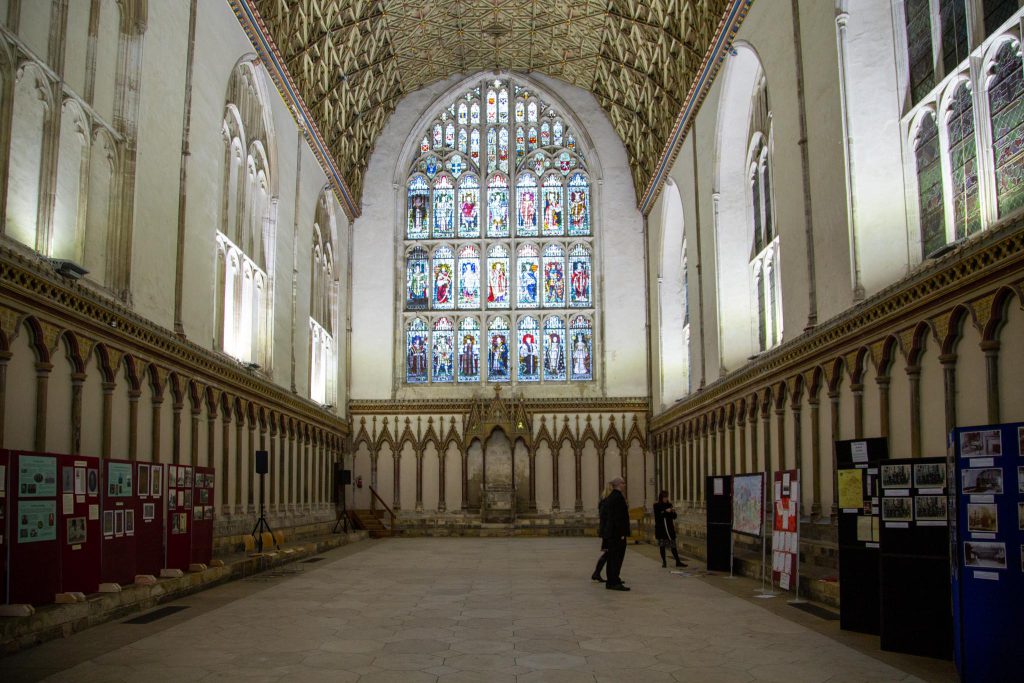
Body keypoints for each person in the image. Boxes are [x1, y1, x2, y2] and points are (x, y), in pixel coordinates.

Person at [602, 476, 630, 591]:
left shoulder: (611, 497)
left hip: (612, 533)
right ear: (619, 484)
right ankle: (613, 582)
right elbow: (618, 518)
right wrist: (622, 533)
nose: (625, 485)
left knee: (612, 558)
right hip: (617, 534)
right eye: (623, 483)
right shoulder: (618, 497)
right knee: (616, 558)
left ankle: (612, 580)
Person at [653, 491, 687, 568]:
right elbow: (657, 517)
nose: (665, 499)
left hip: (669, 528)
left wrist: (673, 511)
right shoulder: (656, 505)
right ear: (661, 498)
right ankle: (664, 562)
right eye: (664, 497)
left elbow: (674, 517)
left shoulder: (669, 505)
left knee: (673, 545)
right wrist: (665, 511)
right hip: (661, 529)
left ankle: (678, 561)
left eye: (666, 497)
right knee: (662, 546)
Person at [591, 483, 613, 582]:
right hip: (608, 531)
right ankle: (597, 573)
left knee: (608, 553)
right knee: (608, 553)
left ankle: (597, 573)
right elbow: (607, 518)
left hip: (605, 531)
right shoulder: (607, 502)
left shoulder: (603, 501)